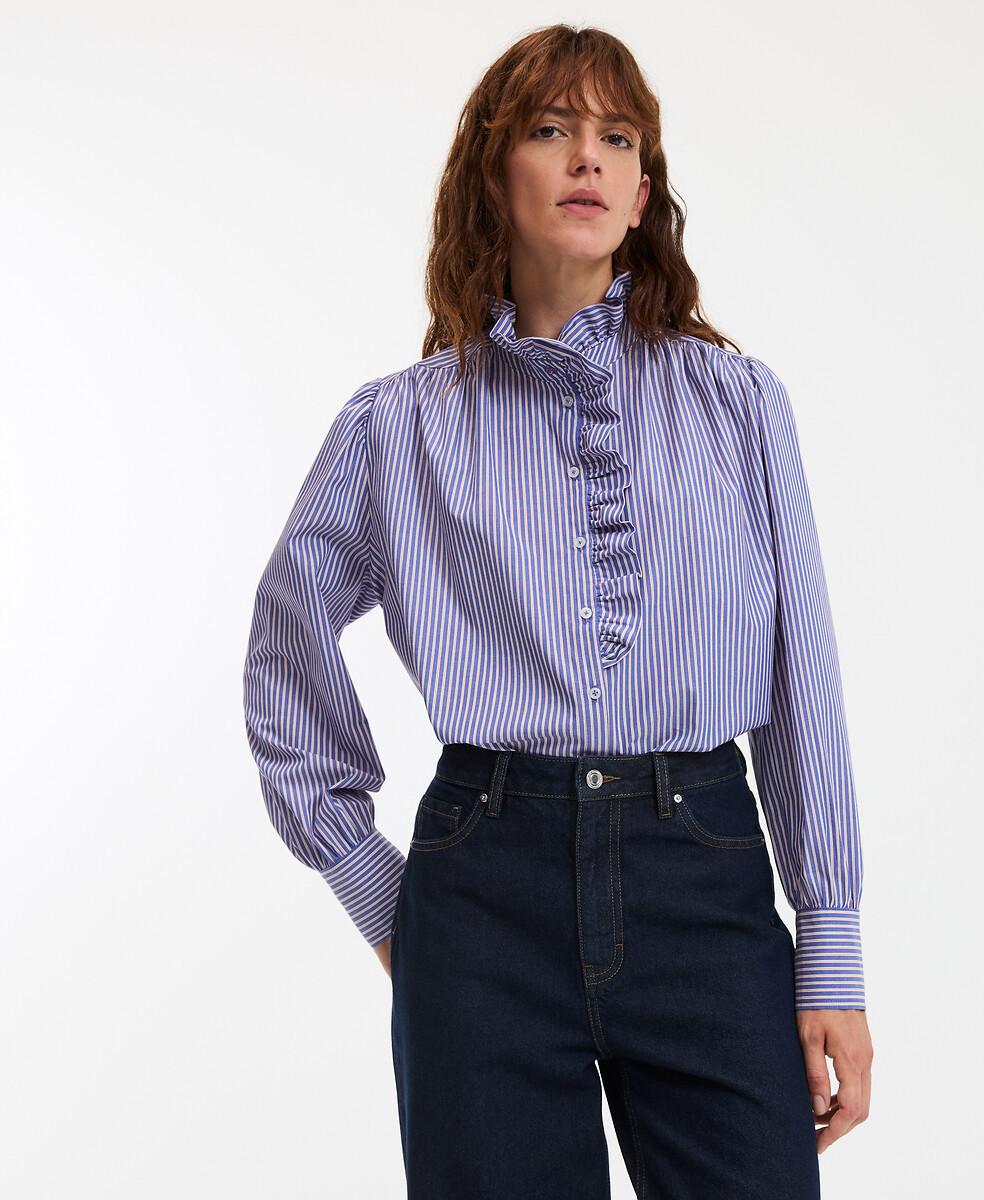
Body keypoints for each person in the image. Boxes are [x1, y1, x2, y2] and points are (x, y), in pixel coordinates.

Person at [242, 23, 872, 1198]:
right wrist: (376, 886)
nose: (587, 156)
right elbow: (285, 644)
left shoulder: (738, 404)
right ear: (494, 175)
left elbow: (803, 679)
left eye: (616, 137)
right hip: (483, 889)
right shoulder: (398, 426)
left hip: (704, 877)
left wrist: (830, 945)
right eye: (549, 129)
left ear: (642, 194)